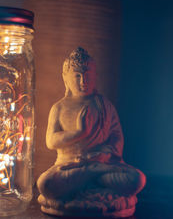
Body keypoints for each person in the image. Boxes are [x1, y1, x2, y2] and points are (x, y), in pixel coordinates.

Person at [37, 47, 146, 217]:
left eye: (88, 76)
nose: (83, 81)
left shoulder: (104, 106)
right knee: (45, 184)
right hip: (70, 167)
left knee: (137, 179)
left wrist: (104, 155)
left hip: (104, 164)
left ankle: (94, 172)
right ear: (65, 77)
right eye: (78, 76)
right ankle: (94, 172)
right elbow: (51, 142)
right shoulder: (59, 108)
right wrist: (80, 132)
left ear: (95, 77)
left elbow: (116, 138)